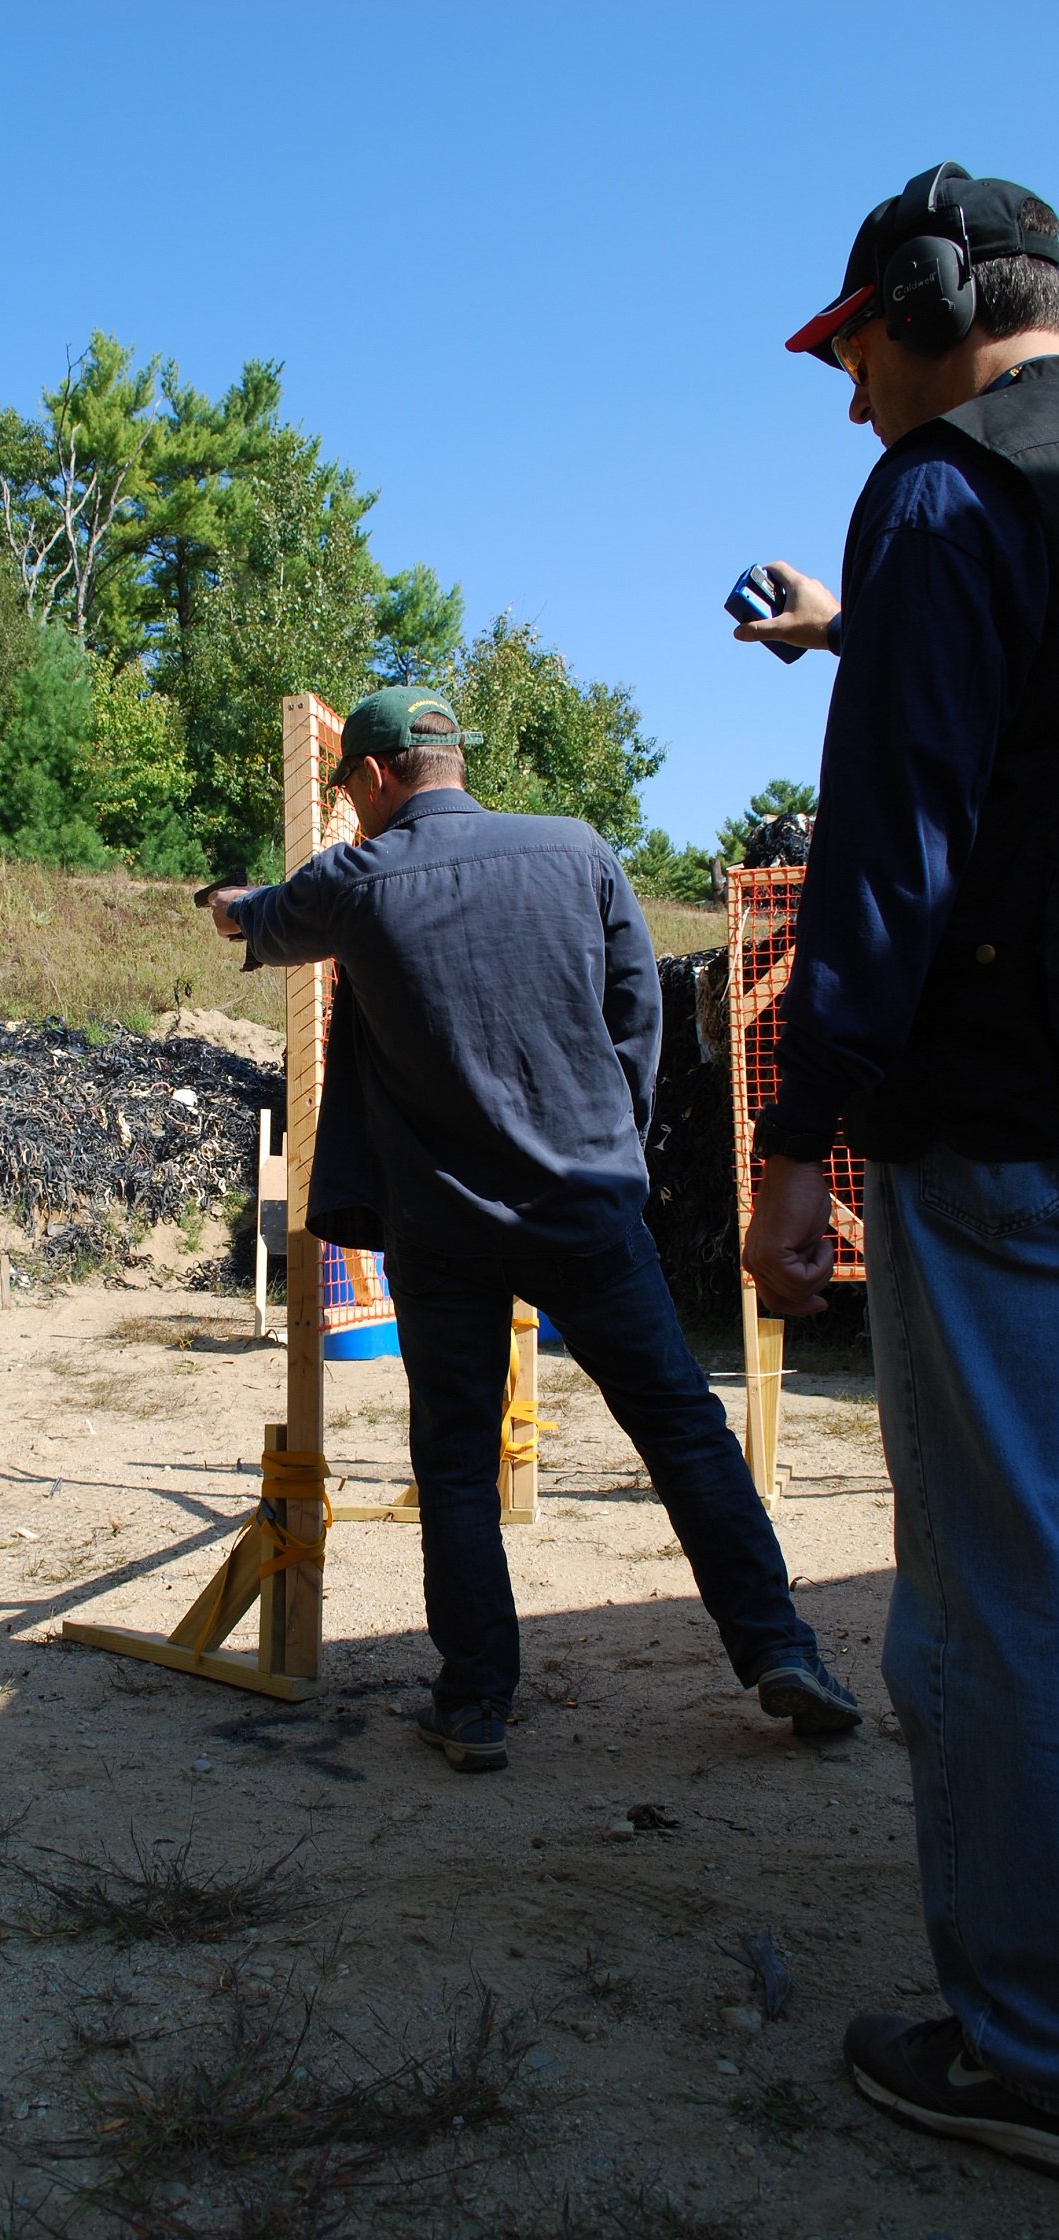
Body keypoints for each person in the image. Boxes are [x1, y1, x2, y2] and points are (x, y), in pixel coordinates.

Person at [206, 684, 858, 1776]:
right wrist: (607, 1137)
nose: (350, 810)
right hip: (588, 1204)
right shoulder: (578, 851)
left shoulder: (355, 879)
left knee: (456, 1463)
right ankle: (780, 1648)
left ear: (371, 777)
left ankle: (474, 1705)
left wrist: (224, 901)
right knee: (687, 1432)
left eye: (349, 793)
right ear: (452, 758)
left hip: (444, 1226)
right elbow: (635, 1015)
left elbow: (262, 921)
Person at [739, 163, 1059, 2177]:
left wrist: (799, 1140)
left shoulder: (947, 492)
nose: (853, 401)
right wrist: (876, 623)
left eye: (857, 350)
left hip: (1013, 1137)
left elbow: (897, 854)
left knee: (997, 1605)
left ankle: (1027, 2050)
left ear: (930, 303)